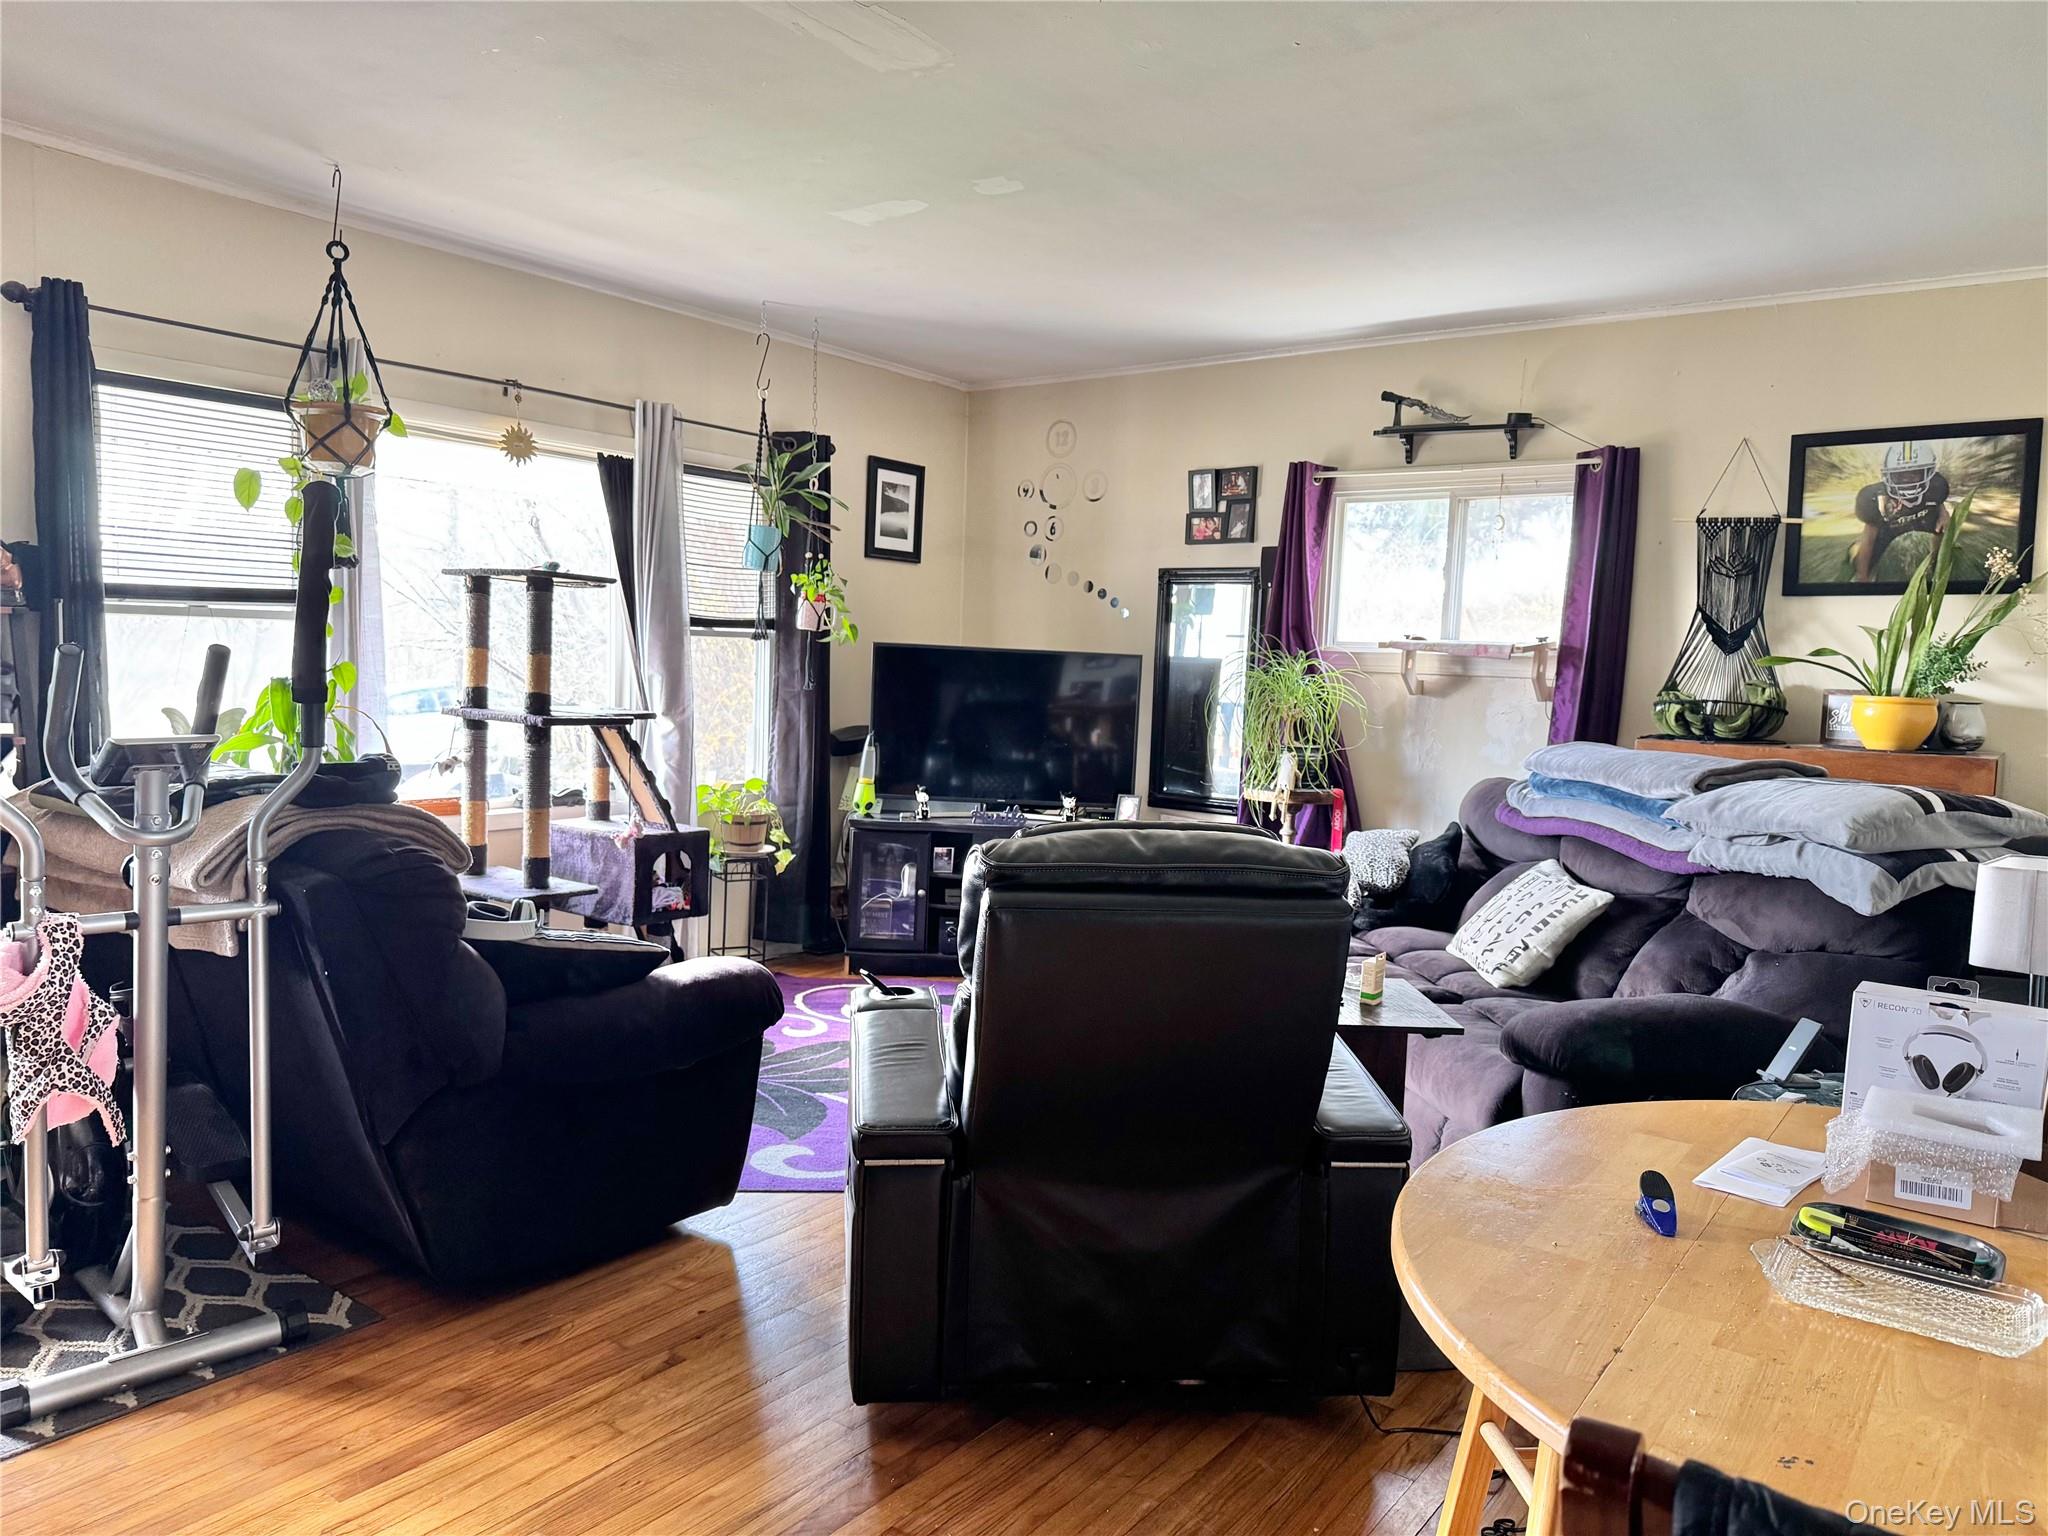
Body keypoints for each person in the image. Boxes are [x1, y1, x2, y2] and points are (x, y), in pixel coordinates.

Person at [1852, 440, 1951, 581]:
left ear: (1928, 473)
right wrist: (1862, 578)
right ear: (1889, 476)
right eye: (1900, 475)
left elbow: (1937, 500)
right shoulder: (1875, 498)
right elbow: (1869, 538)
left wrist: (1943, 513)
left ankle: (1935, 567)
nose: (1907, 480)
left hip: (1922, 521)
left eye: (1914, 473)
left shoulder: (1937, 486)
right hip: (1889, 529)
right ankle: (1854, 549)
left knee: (1940, 534)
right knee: (1862, 561)